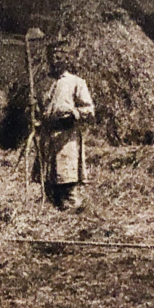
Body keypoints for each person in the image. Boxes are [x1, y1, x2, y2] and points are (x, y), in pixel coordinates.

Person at [42, 62, 94, 211]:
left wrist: (73, 115)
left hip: (67, 137)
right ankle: (56, 210)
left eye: (59, 56)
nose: (55, 60)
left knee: (68, 179)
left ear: (66, 60)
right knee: (51, 180)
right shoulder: (48, 84)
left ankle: (74, 211)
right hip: (50, 137)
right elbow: (44, 109)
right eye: (52, 57)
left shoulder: (76, 82)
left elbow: (89, 109)